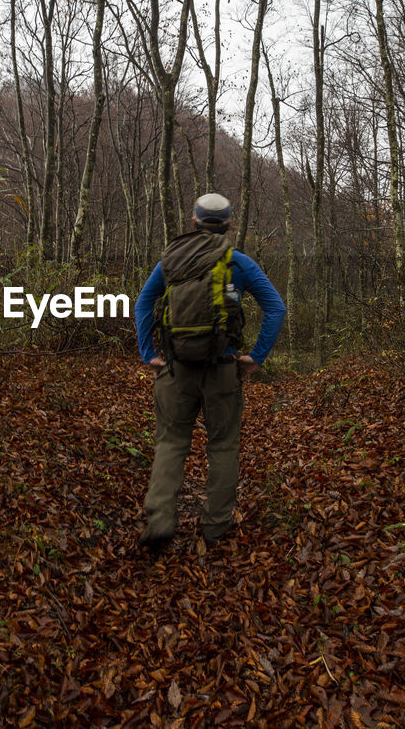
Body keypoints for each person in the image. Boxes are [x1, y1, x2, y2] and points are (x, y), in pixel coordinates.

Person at [133, 193, 286, 551]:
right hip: (222, 370)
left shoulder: (170, 260)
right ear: (229, 224)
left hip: (175, 370)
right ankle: (215, 528)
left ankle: (159, 522)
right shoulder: (239, 263)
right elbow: (275, 308)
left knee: (170, 443)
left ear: (194, 221)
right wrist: (255, 357)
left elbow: (143, 303)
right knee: (223, 445)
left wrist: (148, 353)